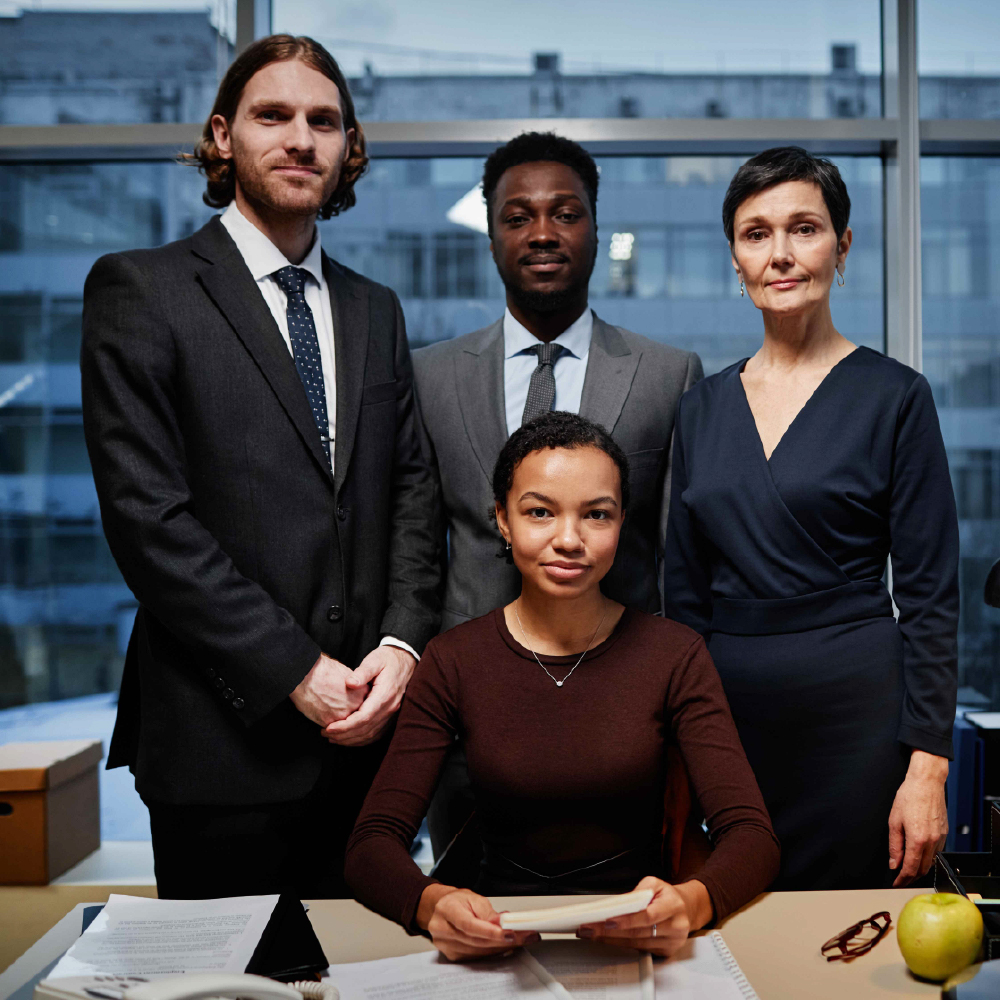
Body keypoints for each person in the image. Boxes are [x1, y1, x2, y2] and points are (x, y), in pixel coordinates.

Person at [80, 35, 439, 898]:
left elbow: (412, 493)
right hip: (221, 749)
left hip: (367, 744)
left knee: (369, 981)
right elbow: (148, 521)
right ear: (221, 135)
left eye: (324, 121)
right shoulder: (140, 288)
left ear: (348, 148)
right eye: (272, 115)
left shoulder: (374, 308)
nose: (300, 138)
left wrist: (400, 646)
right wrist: (295, 672)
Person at [346, 411, 779, 961]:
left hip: (638, 935)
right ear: (502, 519)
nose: (569, 539)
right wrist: (432, 905)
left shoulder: (675, 655)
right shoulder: (453, 660)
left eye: (597, 514)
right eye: (540, 513)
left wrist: (689, 905)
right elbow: (371, 843)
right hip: (493, 939)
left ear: (623, 522)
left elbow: (751, 835)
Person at [663, 146, 959, 891]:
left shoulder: (897, 397)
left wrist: (926, 769)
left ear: (844, 245)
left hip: (858, 720)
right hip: (727, 722)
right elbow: (684, 602)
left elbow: (929, 597)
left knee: (850, 940)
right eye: (756, 234)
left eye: (805, 228)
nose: (782, 253)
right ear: (734, 257)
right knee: (732, 933)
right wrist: (685, 749)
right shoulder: (699, 408)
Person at [413, 131, 703, 854]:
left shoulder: (668, 373)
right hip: (470, 721)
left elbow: (677, 560)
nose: (542, 232)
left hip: (624, 717)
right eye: (518, 216)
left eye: (565, 213)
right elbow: (416, 549)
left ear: (597, 230)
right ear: (491, 235)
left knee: (624, 937)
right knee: (468, 932)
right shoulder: (429, 377)